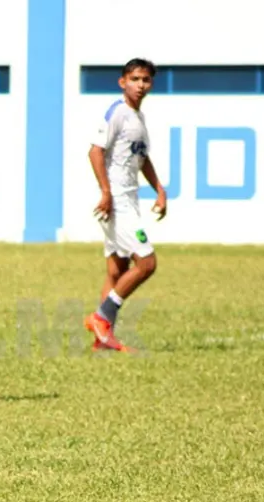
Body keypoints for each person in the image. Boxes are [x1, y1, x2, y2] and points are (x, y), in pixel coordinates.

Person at [84, 58, 166, 352]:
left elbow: (141, 159)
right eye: (135, 79)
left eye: (145, 80)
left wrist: (159, 189)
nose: (140, 85)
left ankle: (103, 340)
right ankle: (101, 317)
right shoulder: (117, 112)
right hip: (117, 201)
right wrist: (105, 192)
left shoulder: (138, 118)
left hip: (128, 198)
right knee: (146, 262)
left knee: (116, 270)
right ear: (122, 82)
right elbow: (95, 152)